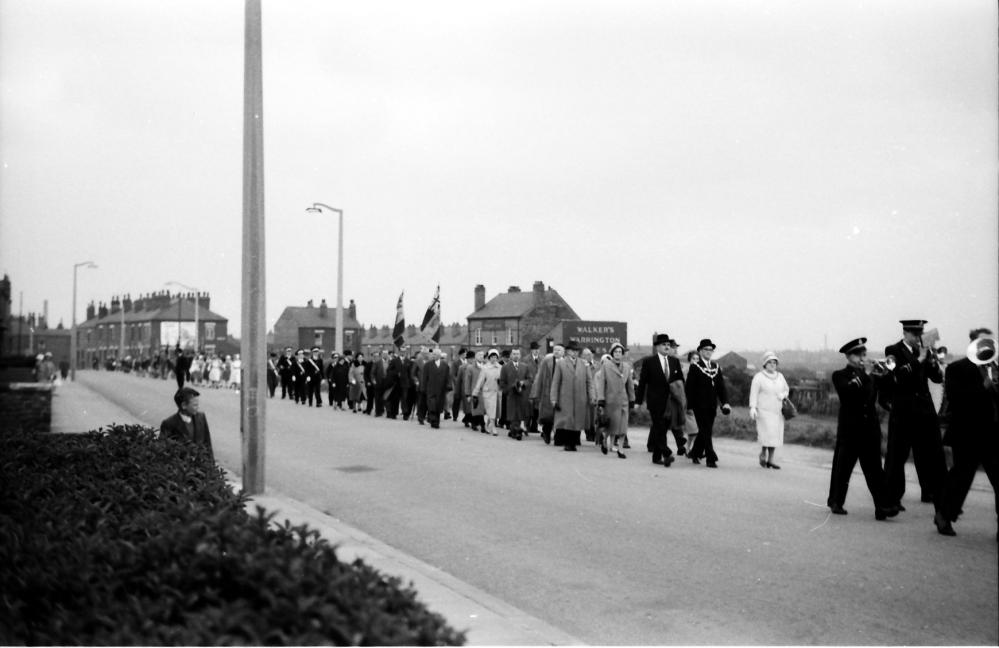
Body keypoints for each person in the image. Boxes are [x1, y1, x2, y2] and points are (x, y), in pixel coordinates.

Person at [934, 331, 998, 538]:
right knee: (961, 478)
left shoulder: (994, 368)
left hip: (991, 433)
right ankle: (944, 515)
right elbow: (957, 399)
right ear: (973, 344)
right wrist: (983, 387)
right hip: (967, 433)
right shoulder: (956, 368)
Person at [827, 338, 899, 520]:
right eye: (859, 355)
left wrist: (888, 372)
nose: (863, 358)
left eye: (864, 354)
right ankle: (836, 502)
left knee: (875, 469)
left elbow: (888, 388)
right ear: (849, 357)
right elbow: (848, 393)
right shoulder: (840, 375)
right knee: (843, 467)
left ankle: (883, 506)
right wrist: (865, 373)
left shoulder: (872, 375)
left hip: (870, 429)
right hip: (850, 429)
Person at [881, 319, 947, 510]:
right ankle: (892, 498)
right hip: (904, 410)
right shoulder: (892, 351)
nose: (919, 338)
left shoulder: (924, 352)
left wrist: (933, 362)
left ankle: (936, 494)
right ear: (906, 333)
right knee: (896, 456)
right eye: (915, 334)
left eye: (921, 334)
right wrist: (918, 360)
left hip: (925, 410)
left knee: (933, 453)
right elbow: (897, 376)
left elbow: (936, 378)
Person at [636, 334, 684, 466]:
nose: (667, 347)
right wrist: (638, 401)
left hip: (671, 402)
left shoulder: (675, 362)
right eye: (664, 344)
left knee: (663, 429)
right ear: (657, 347)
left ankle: (656, 456)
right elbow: (642, 383)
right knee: (659, 426)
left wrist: (683, 400)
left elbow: (680, 381)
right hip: (655, 401)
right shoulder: (649, 362)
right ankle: (667, 452)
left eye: (668, 345)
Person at [685, 338, 731, 468]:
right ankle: (711, 457)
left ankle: (695, 452)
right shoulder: (695, 367)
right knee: (705, 430)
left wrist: (725, 402)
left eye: (711, 350)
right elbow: (689, 388)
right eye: (706, 349)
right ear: (700, 351)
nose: (708, 352)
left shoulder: (716, 367)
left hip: (712, 404)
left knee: (706, 430)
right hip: (699, 405)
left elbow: (721, 387)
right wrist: (689, 405)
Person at [550, 340, 595, 452]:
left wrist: (592, 397)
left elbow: (589, 382)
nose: (574, 353)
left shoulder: (584, 364)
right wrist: (554, 399)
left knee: (578, 420)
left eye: (576, 351)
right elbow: (555, 382)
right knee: (568, 420)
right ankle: (568, 443)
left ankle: (574, 442)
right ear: (567, 351)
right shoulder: (561, 363)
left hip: (580, 397)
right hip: (566, 397)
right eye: (572, 351)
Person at [749, 351, 790, 469]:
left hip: (777, 411)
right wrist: (753, 407)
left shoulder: (780, 376)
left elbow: (786, 389)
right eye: (769, 362)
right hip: (763, 411)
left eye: (774, 362)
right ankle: (763, 453)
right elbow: (754, 393)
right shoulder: (759, 377)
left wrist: (783, 395)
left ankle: (771, 460)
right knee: (766, 434)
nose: (772, 364)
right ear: (765, 364)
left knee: (775, 436)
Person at [595, 343, 635, 458]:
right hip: (610, 400)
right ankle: (604, 441)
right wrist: (601, 399)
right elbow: (602, 383)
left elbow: (630, 385)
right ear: (612, 353)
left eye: (620, 352)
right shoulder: (606, 365)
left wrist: (632, 399)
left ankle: (620, 450)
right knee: (611, 425)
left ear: (622, 354)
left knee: (623, 427)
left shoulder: (627, 367)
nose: (618, 354)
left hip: (623, 400)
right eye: (616, 351)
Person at [159, 386, 214, 463]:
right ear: (184, 405)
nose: (198, 407)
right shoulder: (169, 424)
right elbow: (163, 449)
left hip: (201, 467)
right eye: (195, 405)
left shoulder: (201, 417)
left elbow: (207, 444)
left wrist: (211, 466)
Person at [531, 344, 564, 444]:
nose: (556, 352)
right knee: (547, 416)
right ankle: (546, 433)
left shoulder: (565, 362)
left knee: (559, 415)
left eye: (559, 350)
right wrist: (536, 392)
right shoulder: (547, 361)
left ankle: (558, 437)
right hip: (547, 391)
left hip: (560, 393)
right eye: (555, 350)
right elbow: (540, 376)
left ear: (563, 352)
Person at [499, 348, 532, 440]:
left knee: (521, 413)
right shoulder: (505, 367)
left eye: (517, 354)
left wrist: (523, 383)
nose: (516, 356)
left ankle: (514, 430)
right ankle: (516, 431)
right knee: (513, 413)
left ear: (520, 355)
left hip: (522, 394)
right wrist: (508, 390)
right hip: (511, 394)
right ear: (510, 355)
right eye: (514, 354)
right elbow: (502, 382)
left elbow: (529, 379)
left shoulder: (525, 366)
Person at [472, 349, 503, 435]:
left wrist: (500, 381)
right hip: (488, 392)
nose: (494, 358)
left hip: (497, 392)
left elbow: (503, 379)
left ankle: (487, 425)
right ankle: (493, 428)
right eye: (492, 357)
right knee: (491, 409)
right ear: (489, 358)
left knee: (494, 411)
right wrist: (475, 392)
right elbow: (480, 381)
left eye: (495, 357)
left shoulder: (500, 367)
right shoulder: (485, 368)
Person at [421, 347, 453, 429]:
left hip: (441, 390)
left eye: (435, 354)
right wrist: (423, 388)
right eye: (433, 354)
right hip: (430, 389)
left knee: (438, 406)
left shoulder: (445, 365)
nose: (433, 355)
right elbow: (424, 378)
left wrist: (449, 386)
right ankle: (432, 419)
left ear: (439, 355)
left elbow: (448, 377)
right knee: (432, 405)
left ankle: (437, 421)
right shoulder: (428, 365)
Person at [463, 350, 485, 431]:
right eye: (479, 355)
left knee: (482, 409)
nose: (481, 357)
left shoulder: (485, 367)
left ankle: (481, 424)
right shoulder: (470, 368)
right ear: (476, 357)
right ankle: (475, 423)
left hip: (484, 392)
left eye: (483, 355)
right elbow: (467, 382)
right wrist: (467, 394)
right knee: (475, 407)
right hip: (474, 391)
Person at [524, 341, 543, 433]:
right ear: (531, 350)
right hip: (529, 386)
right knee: (528, 408)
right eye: (535, 349)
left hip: (538, 386)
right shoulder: (525, 360)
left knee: (536, 408)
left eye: (538, 349)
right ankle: (527, 426)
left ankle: (534, 426)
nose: (536, 351)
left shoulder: (542, 359)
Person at [384, 348, 404, 419]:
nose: (403, 352)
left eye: (404, 351)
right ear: (399, 352)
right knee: (393, 399)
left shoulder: (407, 360)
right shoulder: (394, 361)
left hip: (403, 383)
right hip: (395, 383)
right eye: (401, 351)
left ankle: (398, 412)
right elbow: (388, 370)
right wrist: (396, 373)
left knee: (399, 399)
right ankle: (392, 413)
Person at [450, 348, 467, 423]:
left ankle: (467, 416)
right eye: (464, 354)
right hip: (458, 385)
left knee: (466, 402)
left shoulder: (468, 362)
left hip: (466, 385)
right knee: (457, 400)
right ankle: (455, 416)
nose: (465, 355)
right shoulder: (456, 363)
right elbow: (453, 374)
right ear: (461, 354)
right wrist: (457, 382)